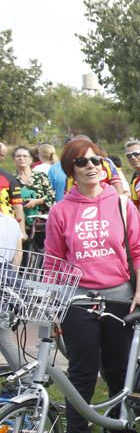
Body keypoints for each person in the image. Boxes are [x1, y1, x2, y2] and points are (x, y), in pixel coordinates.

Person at [44, 137, 140, 433]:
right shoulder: (61, 211)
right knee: (82, 371)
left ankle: (117, 428)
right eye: (82, 162)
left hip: (119, 295)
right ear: (70, 170)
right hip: (78, 299)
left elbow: (139, 249)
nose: (91, 166)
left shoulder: (120, 203)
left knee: (118, 368)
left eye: (96, 160)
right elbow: (53, 262)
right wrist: (52, 304)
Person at [0, 211, 24, 375]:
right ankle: (29, 379)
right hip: (8, 281)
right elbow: (18, 256)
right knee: (3, 336)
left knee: (4, 337)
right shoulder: (11, 222)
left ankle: (30, 379)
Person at [13, 146, 55, 232]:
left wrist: (37, 201)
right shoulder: (11, 179)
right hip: (20, 225)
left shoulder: (41, 176)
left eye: (25, 156)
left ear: (31, 159)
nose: (22, 158)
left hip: (42, 224)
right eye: (18, 156)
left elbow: (52, 196)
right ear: (14, 160)